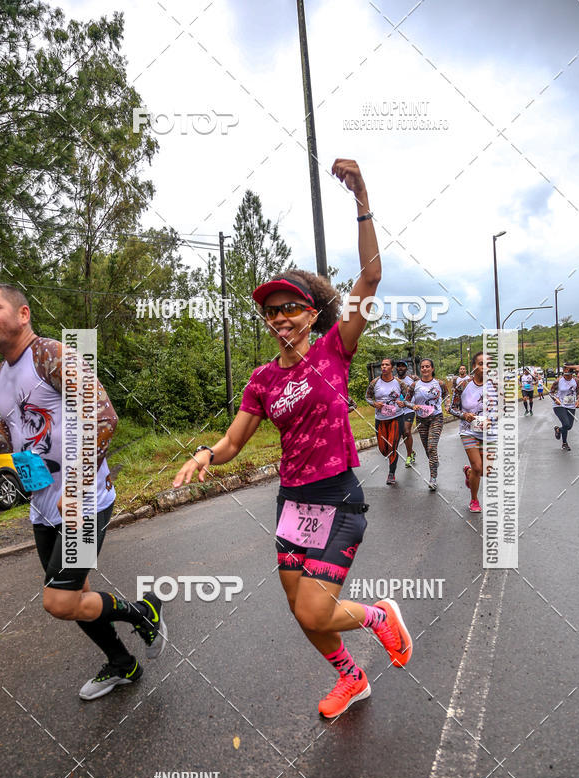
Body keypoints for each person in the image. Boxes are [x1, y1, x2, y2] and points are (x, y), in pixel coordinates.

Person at [173, 159, 412, 719]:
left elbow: (371, 278)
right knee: (298, 608)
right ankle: (352, 679)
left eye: (291, 307)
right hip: (292, 501)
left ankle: (379, 617)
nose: (280, 317)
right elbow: (233, 442)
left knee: (314, 610)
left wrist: (362, 198)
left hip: (337, 497)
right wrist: (206, 454)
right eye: (270, 311)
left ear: (312, 311)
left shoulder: (336, 350)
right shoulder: (262, 379)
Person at [0, 283, 167, 700]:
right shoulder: (1, 377)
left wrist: (77, 482)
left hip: (82, 505)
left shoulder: (49, 355)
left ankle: (143, 612)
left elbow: (104, 415)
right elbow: (10, 432)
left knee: (58, 601)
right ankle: (124, 665)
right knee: (79, 595)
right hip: (43, 506)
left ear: (23, 314)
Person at [449, 351, 497, 513]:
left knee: (485, 470)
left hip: (488, 431)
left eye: (488, 364)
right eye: (481, 363)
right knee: (477, 467)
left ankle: (468, 472)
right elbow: (451, 408)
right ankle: (474, 500)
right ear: (474, 366)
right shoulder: (463, 385)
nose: (485, 367)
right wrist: (464, 415)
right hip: (468, 431)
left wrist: (491, 419)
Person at [403, 358, 449, 491]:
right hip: (421, 420)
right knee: (428, 450)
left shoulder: (439, 383)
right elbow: (406, 401)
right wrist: (413, 406)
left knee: (431, 447)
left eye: (427, 366)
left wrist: (446, 405)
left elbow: (447, 395)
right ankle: (434, 462)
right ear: (420, 369)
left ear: (432, 369)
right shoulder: (414, 385)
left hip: (436, 418)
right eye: (422, 367)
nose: (424, 369)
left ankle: (433, 478)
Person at [365, 357, 405, 485]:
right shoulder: (374, 382)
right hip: (381, 419)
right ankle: (391, 458)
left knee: (392, 446)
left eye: (386, 365)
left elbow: (409, 396)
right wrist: (374, 404)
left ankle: (391, 474)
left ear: (392, 368)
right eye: (382, 365)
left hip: (396, 417)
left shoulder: (399, 383)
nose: (383, 367)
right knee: (383, 449)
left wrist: (403, 403)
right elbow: (368, 397)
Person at [550, 366, 579, 450]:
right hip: (559, 405)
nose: (566, 376)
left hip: (570, 404)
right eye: (565, 374)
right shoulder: (558, 381)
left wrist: (578, 401)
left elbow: (578, 392)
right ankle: (564, 443)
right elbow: (551, 392)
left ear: (571, 374)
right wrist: (555, 399)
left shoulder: (576, 381)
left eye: (568, 375)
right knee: (566, 424)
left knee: (569, 426)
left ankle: (558, 430)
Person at [395, 359, 416, 467]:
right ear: (396, 368)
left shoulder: (411, 380)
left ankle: (409, 456)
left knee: (407, 431)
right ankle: (411, 451)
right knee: (403, 433)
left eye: (403, 366)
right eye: (399, 366)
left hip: (409, 409)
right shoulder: (393, 380)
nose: (400, 368)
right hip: (397, 410)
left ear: (406, 368)